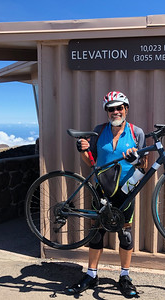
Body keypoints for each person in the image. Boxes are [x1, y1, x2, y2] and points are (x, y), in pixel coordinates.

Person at [66, 91, 147, 297]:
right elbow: (90, 161)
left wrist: (136, 159)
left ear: (126, 109)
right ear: (107, 112)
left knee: (125, 233)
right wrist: (82, 149)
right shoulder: (98, 131)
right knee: (97, 231)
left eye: (120, 107)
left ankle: (125, 277)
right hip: (101, 186)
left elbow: (144, 164)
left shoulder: (136, 132)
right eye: (111, 109)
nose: (116, 112)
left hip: (126, 187)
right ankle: (91, 275)